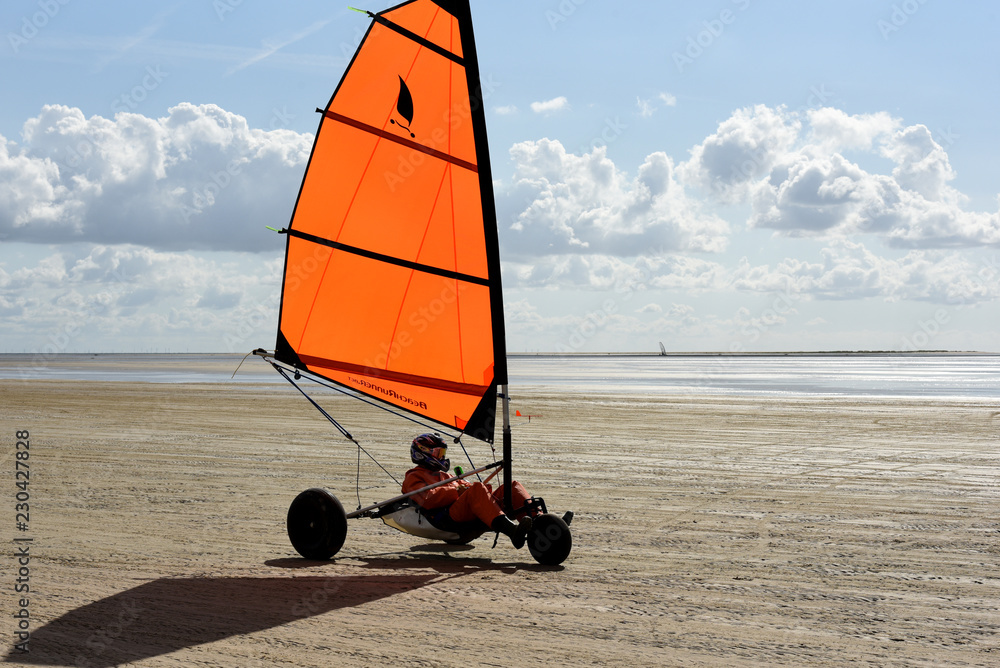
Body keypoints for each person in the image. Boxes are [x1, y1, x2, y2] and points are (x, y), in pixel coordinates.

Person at [402, 433, 533, 548]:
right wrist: (456, 491)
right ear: (422, 452)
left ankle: (538, 524)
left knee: (512, 487)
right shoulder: (413, 476)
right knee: (476, 489)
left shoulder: (445, 476)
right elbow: (426, 499)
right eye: (438, 453)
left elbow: (470, 488)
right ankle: (512, 531)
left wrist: (480, 491)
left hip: (468, 513)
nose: (442, 457)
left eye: (443, 454)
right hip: (447, 521)